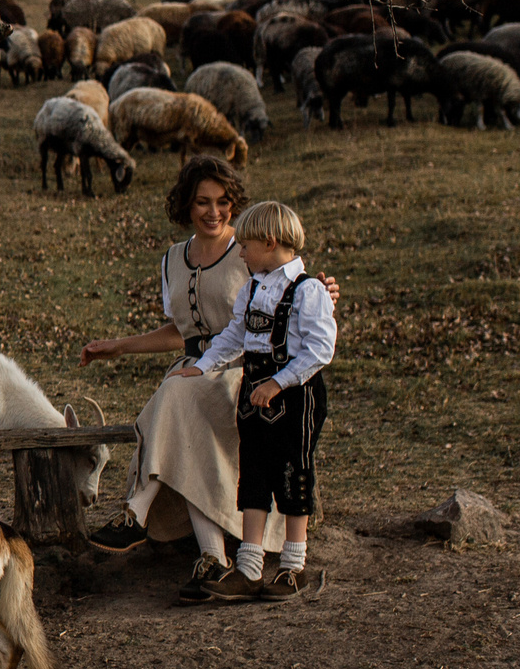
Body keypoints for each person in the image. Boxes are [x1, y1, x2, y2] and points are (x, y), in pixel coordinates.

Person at [80, 157, 339, 605]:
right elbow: (182, 331)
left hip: (247, 377)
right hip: (198, 372)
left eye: (223, 202)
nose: (214, 212)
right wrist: (119, 346)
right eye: (202, 202)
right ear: (187, 204)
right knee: (181, 391)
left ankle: (137, 513)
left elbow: (287, 306)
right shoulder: (173, 261)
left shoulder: (251, 251)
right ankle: (213, 560)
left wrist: (319, 293)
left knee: (179, 396)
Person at [174, 200, 336, 601]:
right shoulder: (253, 288)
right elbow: (233, 336)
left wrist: (278, 384)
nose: (240, 252)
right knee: (254, 474)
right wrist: (204, 366)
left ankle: (293, 565)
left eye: (246, 246)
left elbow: (319, 350)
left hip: (296, 397)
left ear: (271, 241)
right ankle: (248, 568)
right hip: (253, 392)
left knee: (292, 471)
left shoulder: (308, 290)